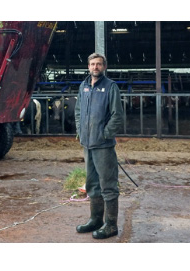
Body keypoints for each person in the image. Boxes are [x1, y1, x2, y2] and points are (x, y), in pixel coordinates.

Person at [74, 53, 125, 239]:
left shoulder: (110, 87)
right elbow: (78, 111)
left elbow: (117, 116)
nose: (95, 67)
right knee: (92, 183)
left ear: (104, 67)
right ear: (88, 66)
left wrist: (105, 134)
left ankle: (111, 225)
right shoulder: (84, 86)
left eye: (99, 64)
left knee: (108, 185)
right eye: (92, 64)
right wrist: (81, 131)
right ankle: (96, 219)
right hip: (87, 144)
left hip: (103, 145)